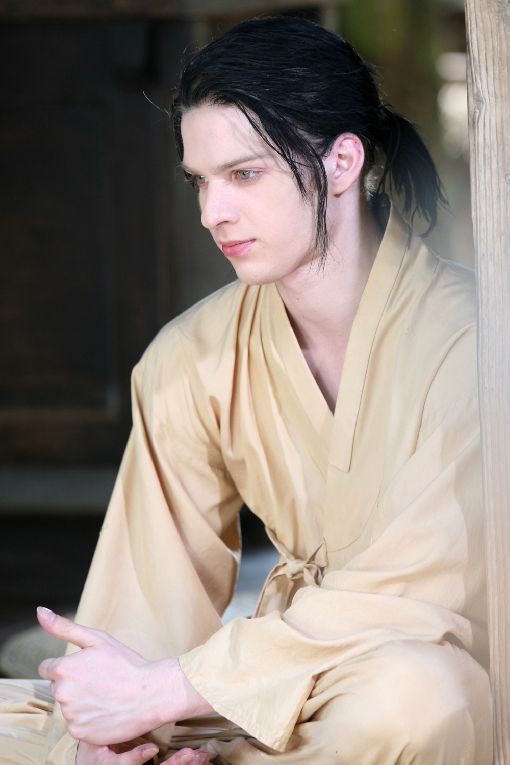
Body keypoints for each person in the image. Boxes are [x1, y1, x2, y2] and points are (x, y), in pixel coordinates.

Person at [0, 15, 492, 765]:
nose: (212, 213)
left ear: (341, 162)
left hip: (420, 674)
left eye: (244, 175)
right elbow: (145, 598)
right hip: (268, 688)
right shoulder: (190, 359)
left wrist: (178, 687)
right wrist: (110, 733)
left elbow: (424, 591)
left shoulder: (476, 340)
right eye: (200, 181)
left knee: (418, 699)